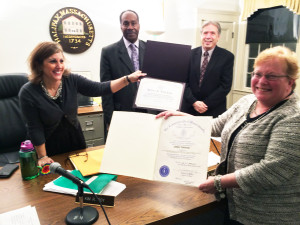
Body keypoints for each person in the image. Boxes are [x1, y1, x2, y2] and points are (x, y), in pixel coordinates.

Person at [157, 46, 300, 225]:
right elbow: (216, 126)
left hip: (267, 215)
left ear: (290, 82)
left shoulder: (294, 117)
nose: (261, 81)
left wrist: (218, 182)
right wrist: (183, 118)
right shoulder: (247, 102)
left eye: (271, 76)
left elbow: (270, 171)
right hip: (234, 207)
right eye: (257, 74)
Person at [19, 41, 145, 166]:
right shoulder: (28, 92)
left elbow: (100, 88)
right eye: (53, 61)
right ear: (39, 64)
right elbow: (35, 128)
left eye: (61, 61)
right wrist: (43, 156)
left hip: (75, 143)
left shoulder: (71, 80)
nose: (59, 66)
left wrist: (128, 79)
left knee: (81, 179)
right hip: (48, 149)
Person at [100, 9, 146, 133]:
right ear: (121, 26)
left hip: (147, 114)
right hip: (121, 115)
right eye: (126, 23)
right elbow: (106, 90)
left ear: (139, 25)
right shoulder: (108, 52)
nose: (130, 27)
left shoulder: (151, 49)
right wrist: (110, 120)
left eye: (133, 23)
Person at [182, 21, 234, 118]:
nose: (208, 36)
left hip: (213, 110)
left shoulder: (227, 57)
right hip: (189, 108)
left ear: (218, 36)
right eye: (205, 33)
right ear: (201, 35)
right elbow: (184, 82)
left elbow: (225, 86)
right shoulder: (188, 54)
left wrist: (205, 104)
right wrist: (194, 102)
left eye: (212, 33)